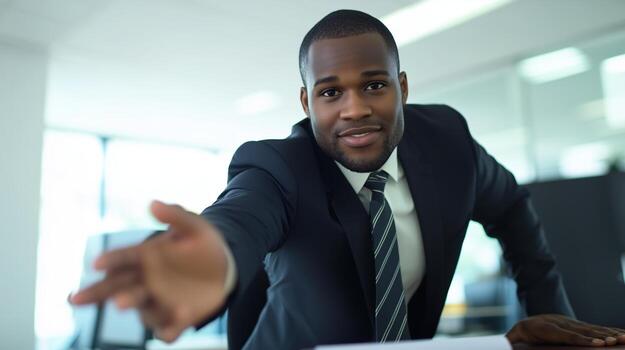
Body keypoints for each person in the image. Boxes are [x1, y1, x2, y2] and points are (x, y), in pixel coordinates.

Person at [70, 9, 625, 349]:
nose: (354, 108)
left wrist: (547, 310)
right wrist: (211, 259)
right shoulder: (277, 169)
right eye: (331, 92)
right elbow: (239, 220)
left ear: (402, 86)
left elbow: (512, 209)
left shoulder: (449, 144)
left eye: (375, 85)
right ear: (307, 100)